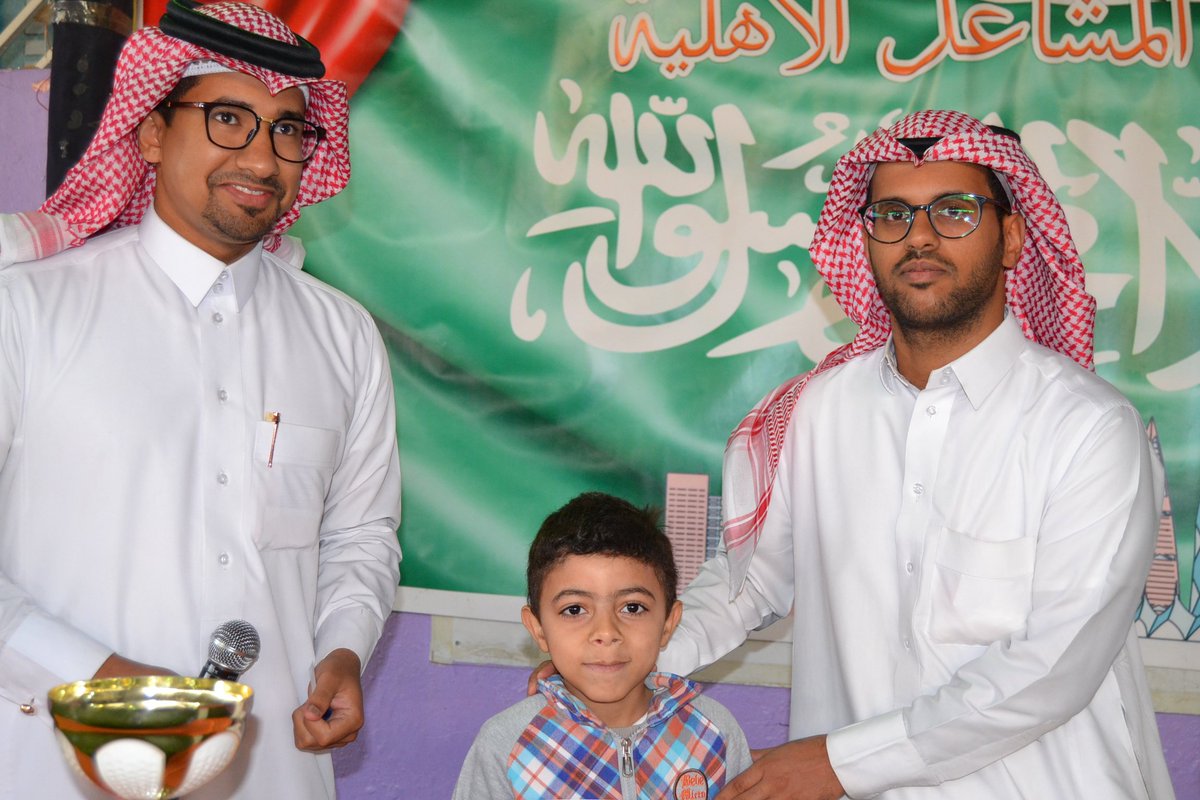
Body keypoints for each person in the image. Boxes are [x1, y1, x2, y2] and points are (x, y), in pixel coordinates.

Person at [655, 110, 1175, 799]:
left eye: (955, 211)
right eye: (893, 214)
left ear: (1012, 237)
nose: (919, 236)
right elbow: (748, 584)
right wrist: (625, 662)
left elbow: (1055, 665)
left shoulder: (1087, 428)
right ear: (864, 238)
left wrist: (837, 764)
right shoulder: (817, 413)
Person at [0, 2, 401, 798]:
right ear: (151, 133)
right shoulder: (28, 311)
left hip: (272, 765)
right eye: (228, 118)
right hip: (60, 759)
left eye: (287, 130)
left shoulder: (344, 336)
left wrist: (344, 651)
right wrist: (97, 676)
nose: (261, 156)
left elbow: (360, 536)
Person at [460, 492, 751, 799]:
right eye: (575, 610)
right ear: (538, 629)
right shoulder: (506, 746)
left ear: (669, 623)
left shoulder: (716, 733)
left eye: (632, 608)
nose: (606, 632)